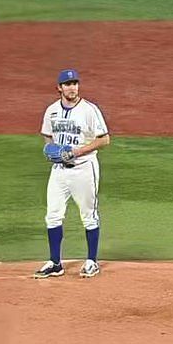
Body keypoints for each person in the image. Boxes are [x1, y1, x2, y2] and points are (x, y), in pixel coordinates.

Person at [35, 68, 110, 279]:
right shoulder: (51, 111)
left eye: (75, 83)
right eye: (67, 84)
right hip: (59, 172)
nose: (72, 87)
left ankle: (91, 261)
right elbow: (48, 137)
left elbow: (104, 139)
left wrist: (76, 152)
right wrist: (52, 151)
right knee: (52, 215)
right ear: (59, 88)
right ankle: (55, 263)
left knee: (89, 216)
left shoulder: (89, 110)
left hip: (84, 169)